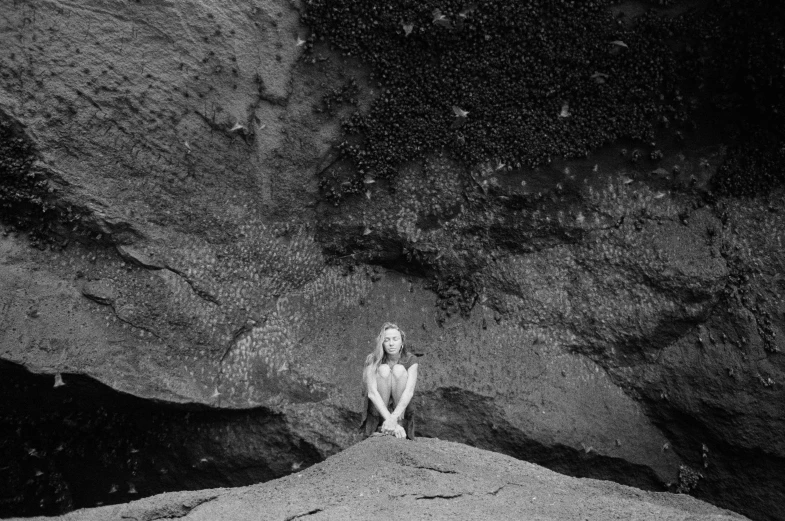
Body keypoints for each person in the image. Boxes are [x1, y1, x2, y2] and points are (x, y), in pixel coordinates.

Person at [360, 322, 419, 440]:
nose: (391, 343)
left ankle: (399, 423)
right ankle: (383, 424)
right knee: (383, 369)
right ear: (382, 343)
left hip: (400, 413)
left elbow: (409, 392)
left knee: (399, 369)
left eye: (395, 339)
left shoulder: (411, 360)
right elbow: (372, 393)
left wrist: (394, 419)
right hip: (379, 412)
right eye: (387, 340)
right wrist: (390, 420)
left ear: (402, 341)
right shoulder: (373, 359)